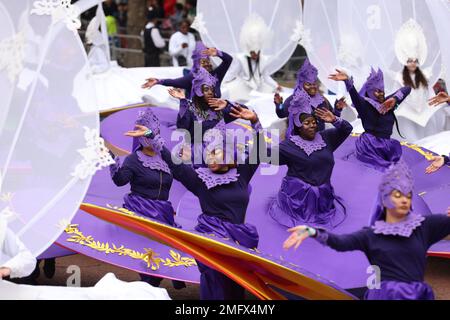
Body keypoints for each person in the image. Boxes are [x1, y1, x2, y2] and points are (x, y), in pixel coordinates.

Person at [125, 105, 265, 300]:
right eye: (208, 154)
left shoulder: (242, 174)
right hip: (211, 241)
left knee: (235, 288)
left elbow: (260, 149)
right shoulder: (200, 180)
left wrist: (255, 121)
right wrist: (152, 136)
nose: (210, 157)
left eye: (215, 152)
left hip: (238, 240)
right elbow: (175, 163)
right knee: (215, 284)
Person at [283, 161, 450, 300]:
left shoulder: (424, 226)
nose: (404, 200)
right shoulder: (371, 235)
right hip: (385, 296)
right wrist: (312, 232)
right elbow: (340, 243)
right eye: (398, 195)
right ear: (385, 200)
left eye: (407, 195)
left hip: (417, 294)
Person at [109, 108, 186, 290]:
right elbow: (120, 181)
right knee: (149, 262)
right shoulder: (133, 159)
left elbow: (183, 174)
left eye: (154, 133)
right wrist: (112, 160)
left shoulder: (166, 158)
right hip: (141, 213)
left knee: (164, 256)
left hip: (164, 214)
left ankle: (149, 289)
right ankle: (147, 289)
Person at [267, 90, 353, 228]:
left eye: (314, 122)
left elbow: (347, 129)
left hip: (324, 201)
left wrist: (335, 119)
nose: (313, 125)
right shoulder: (289, 145)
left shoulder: (326, 138)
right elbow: (265, 155)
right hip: (297, 202)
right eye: (307, 123)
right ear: (299, 127)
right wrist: (255, 123)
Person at [329, 68, 411, 170]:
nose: (381, 94)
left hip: (386, 146)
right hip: (369, 147)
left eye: (382, 90)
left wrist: (395, 98)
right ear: (370, 92)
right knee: (374, 172)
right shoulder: (364, 105)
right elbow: (354, 94)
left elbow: (407, 88)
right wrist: (347, 81)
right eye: (377, 91)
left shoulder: (388, 103)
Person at [142, 41, 233, 99]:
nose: (206, 64)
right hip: (197, 120)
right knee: (198, 127)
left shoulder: (216, 75)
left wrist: (217, 53)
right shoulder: (192, 78)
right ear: (197, 64)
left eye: (207, 61)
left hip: (214, 119)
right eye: (202, 62)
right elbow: (173, 82)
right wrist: (158, 81)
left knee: (240, 109)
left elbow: (228, 60)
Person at [274, 58, 344, 133]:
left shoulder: (322, 100)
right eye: (308, 84)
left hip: (319, 138)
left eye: (314, 84)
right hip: (298, 139)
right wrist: (279, 106)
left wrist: (337, 109)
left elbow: (332, 117)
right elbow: (282, 114)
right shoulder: (293, 99)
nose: (312, 87)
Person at [224, 14, 280, 102]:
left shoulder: (263, 60)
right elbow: (232, 73)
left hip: (259, 88)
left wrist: (276, 85)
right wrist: (221, 82)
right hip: (243, 88)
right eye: (253, 53)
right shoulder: (242, 59)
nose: (255, 55)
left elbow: (266, 76)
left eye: (257, 53)